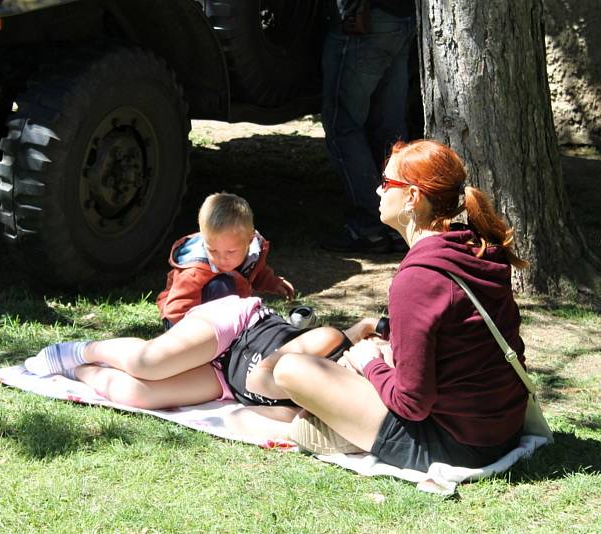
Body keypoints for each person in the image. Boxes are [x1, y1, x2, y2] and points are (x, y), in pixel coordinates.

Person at [253, 139, 529, 471]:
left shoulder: (419, 278)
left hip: (451, 444)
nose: (378, 191)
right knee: (369, 356)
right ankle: (338, 422)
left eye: (387, 183)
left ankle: (338, 429)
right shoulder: (476, 248)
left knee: (290, 369)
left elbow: (412, 404)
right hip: (502, 430)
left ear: (412, 197)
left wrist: (370, 364)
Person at [24, 295, 375, 414]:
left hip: (226, 380)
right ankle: (80, 350)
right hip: (239, 330)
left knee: (137, 393)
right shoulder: (330, 343)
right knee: (149, 363)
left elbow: (266, 417)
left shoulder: (332, 402)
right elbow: (262, 379)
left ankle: (80, 370)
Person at [321, 0, 416, 253]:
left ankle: (369, 227)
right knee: (389, 128)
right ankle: (399, 224)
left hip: (365, 20)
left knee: (344, 127)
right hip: (399, 17)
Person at [156, 192, 294, 329]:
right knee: (221, 285)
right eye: (213, 250)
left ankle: (234, 329)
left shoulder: (252, 252)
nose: (221, 258)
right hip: (183, 318)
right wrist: (192, 339)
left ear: (250, 240)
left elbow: (255, 270)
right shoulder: (193, 271)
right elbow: (176, 312)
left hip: (224, 316)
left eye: (231, 251)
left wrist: (272, 282)